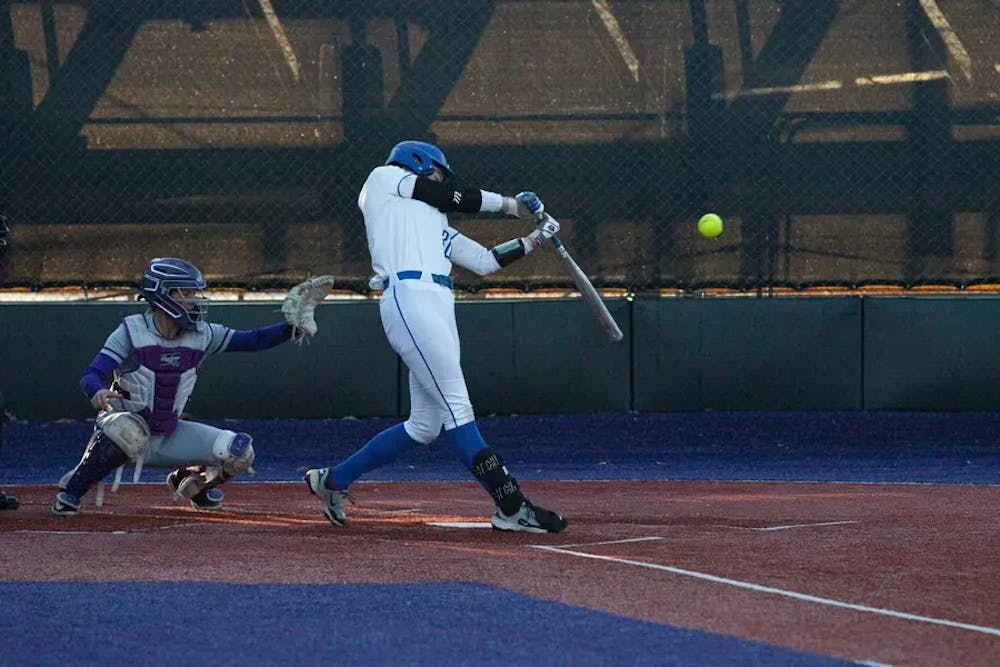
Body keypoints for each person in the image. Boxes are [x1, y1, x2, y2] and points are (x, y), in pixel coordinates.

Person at [304, 140, 567, 533]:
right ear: (420, 165)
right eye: (439, 173)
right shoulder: (385, 180)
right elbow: (446, 193)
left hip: (439, 304)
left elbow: (485, 261)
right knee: (457, 408)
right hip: (409, 298)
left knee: (424, 425)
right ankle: (511, 506)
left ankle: (332, 480)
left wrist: (537, 237)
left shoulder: (431, 222)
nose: (443, 182)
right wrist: (510, 205)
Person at [52, 258, 329, 516]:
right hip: (121, 429)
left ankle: (191, 482)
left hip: (168, 431)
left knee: (240, 451)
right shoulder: (131, 331)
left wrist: (292, 327)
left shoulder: (203, 334)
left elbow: (252, 340)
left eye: (194, 293)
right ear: (161, 295)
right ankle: (74, 489)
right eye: (185, 293)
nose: (193, 300)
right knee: (128, 430)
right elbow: (92, 373)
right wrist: (96, 391)